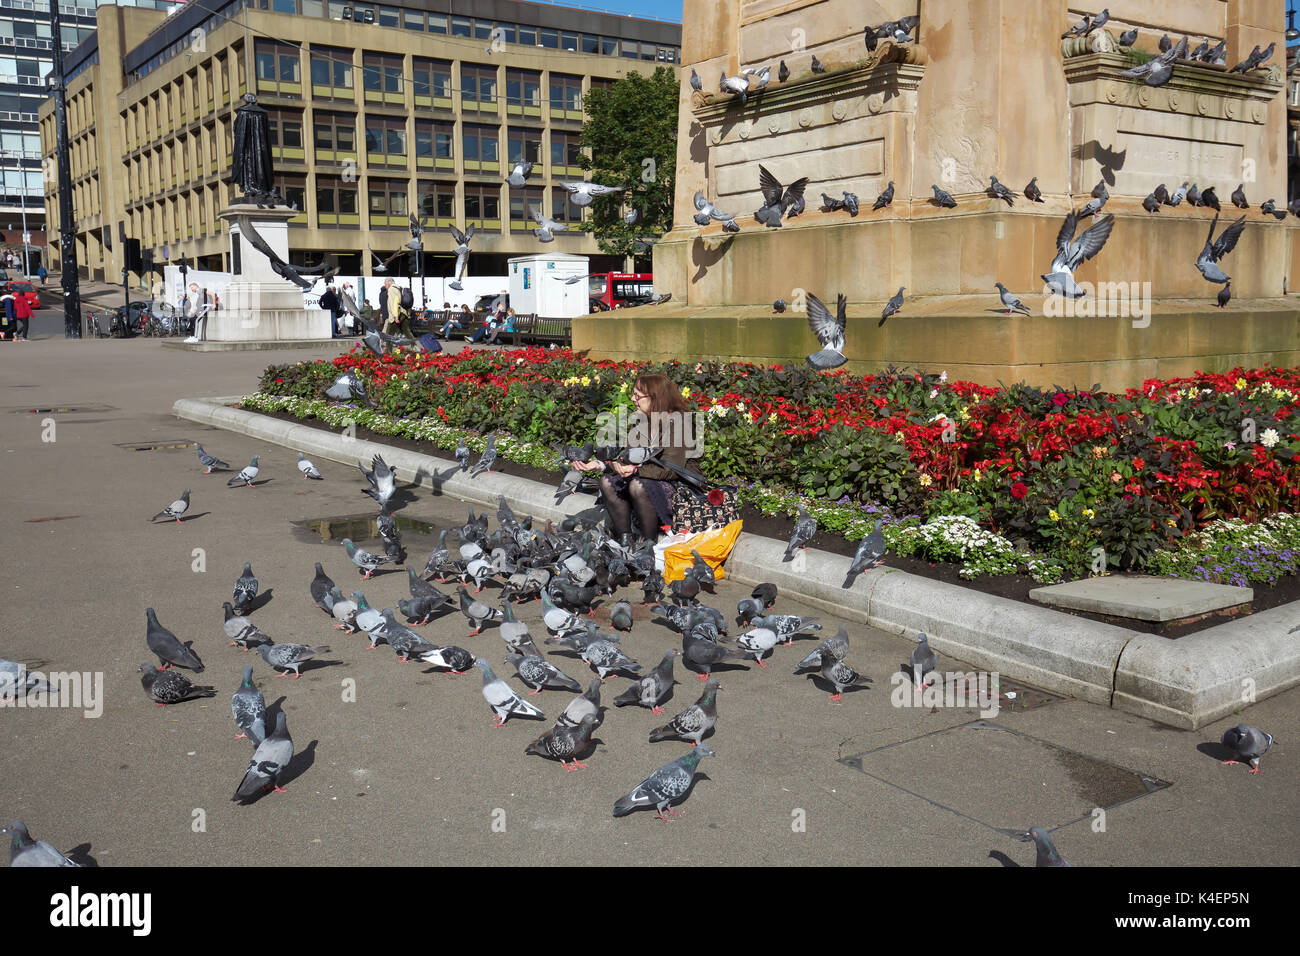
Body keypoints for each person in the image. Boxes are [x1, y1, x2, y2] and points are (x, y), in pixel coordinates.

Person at [573, 373, 696, 546]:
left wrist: (635, 470)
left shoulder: (679, 422)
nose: (632, 398)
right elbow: (627, 458)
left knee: (637, 485)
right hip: (647, 478)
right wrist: (599, 465)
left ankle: (647, 544)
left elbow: (672, 469)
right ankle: (626, 540)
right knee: (607, 482)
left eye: (637, 395)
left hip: (678, 484)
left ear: (655, 397)